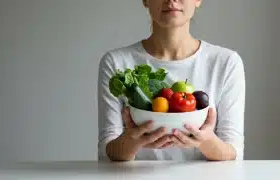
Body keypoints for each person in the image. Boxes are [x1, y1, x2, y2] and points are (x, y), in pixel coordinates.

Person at [97, 0, 245, 161]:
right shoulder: (116, 62)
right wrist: (132, 141)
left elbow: (234, 152)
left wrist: (205, 141)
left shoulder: (226, 62)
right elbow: (107, 151)